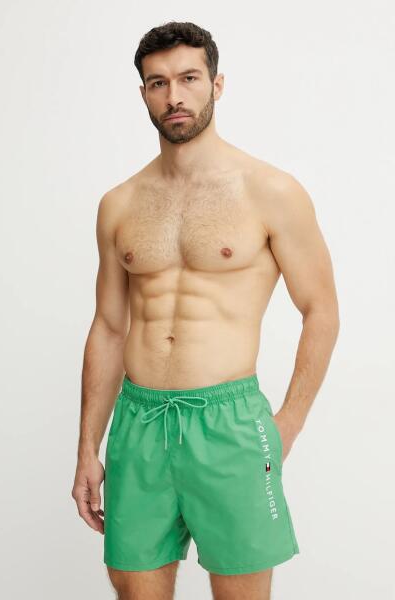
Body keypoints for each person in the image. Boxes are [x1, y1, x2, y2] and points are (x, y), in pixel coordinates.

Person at [71, 20, 340, 600]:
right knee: (134, 590)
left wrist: (287, 424)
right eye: (158, 83)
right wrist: (88, 447)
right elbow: (110, 327)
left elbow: (321, 309)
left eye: (189, 78)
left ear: (217, 84)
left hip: (230, 424)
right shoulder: (119, 204)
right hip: (138, 425)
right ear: (143, 93)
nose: (175, 96)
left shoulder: (271, 191)